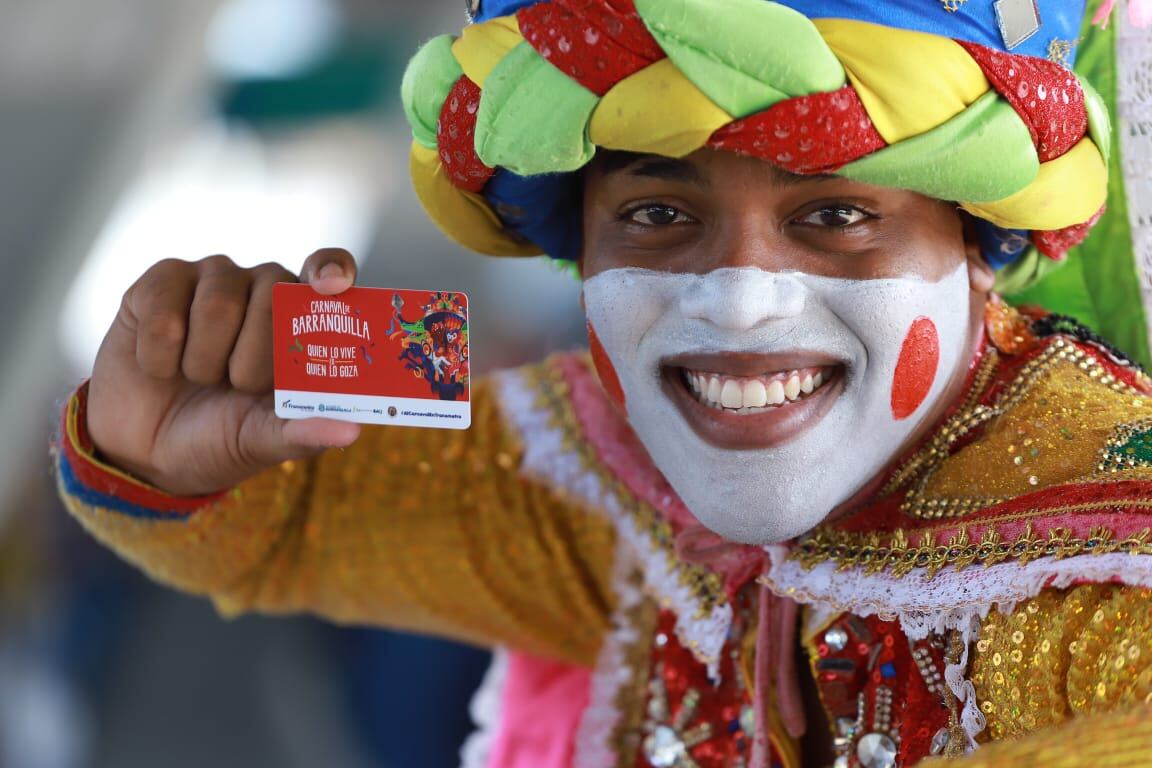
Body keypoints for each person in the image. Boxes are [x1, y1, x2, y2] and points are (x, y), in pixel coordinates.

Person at [55, 1, 1152, 766]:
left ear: (975, 245)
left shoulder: (1108, 542)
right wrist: (150, 442)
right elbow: (300, 513)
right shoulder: (613, 481)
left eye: (836, 215)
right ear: (580, 249)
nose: (738, 301)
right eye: (658, 217)